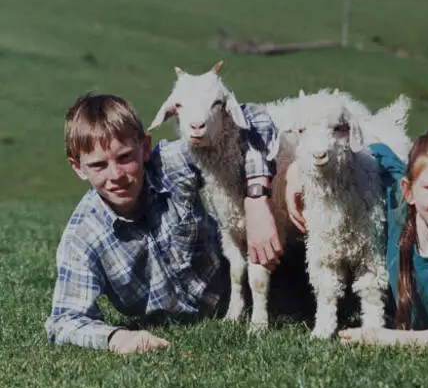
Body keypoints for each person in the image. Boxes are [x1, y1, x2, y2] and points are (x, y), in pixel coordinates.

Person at [45, 93, 282, 353]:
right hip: (175, 322)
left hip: (252, 278)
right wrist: (117, 338)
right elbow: (64, 320)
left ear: (145, 147)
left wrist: (257, 198)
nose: (116, 176)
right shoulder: (83, 236)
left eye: (125, 157)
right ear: (78, 168)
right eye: (98, 165)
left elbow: (254, 117)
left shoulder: (170, 164)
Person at [286, 126, 428, 346]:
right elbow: (371, 144)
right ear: (409, 191)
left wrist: (387, 338)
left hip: (424, 332)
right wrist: (295, 173)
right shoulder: (396, 198)